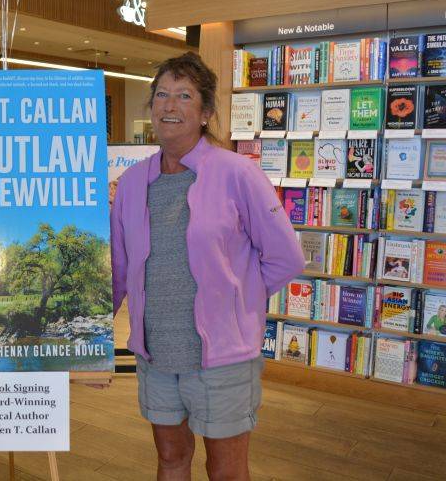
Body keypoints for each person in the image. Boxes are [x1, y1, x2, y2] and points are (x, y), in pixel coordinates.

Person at [110, 53, 304, 480]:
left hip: (223, 358)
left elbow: (286, 258)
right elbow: (118, 269)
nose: (169, 105)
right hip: (156, 353)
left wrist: (236, 302)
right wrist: (79, 335)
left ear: (206, 113)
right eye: (161, 94)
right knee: (170, 460)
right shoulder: (130, 183)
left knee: (226, 471)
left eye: (184, 95)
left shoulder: (238, 174)